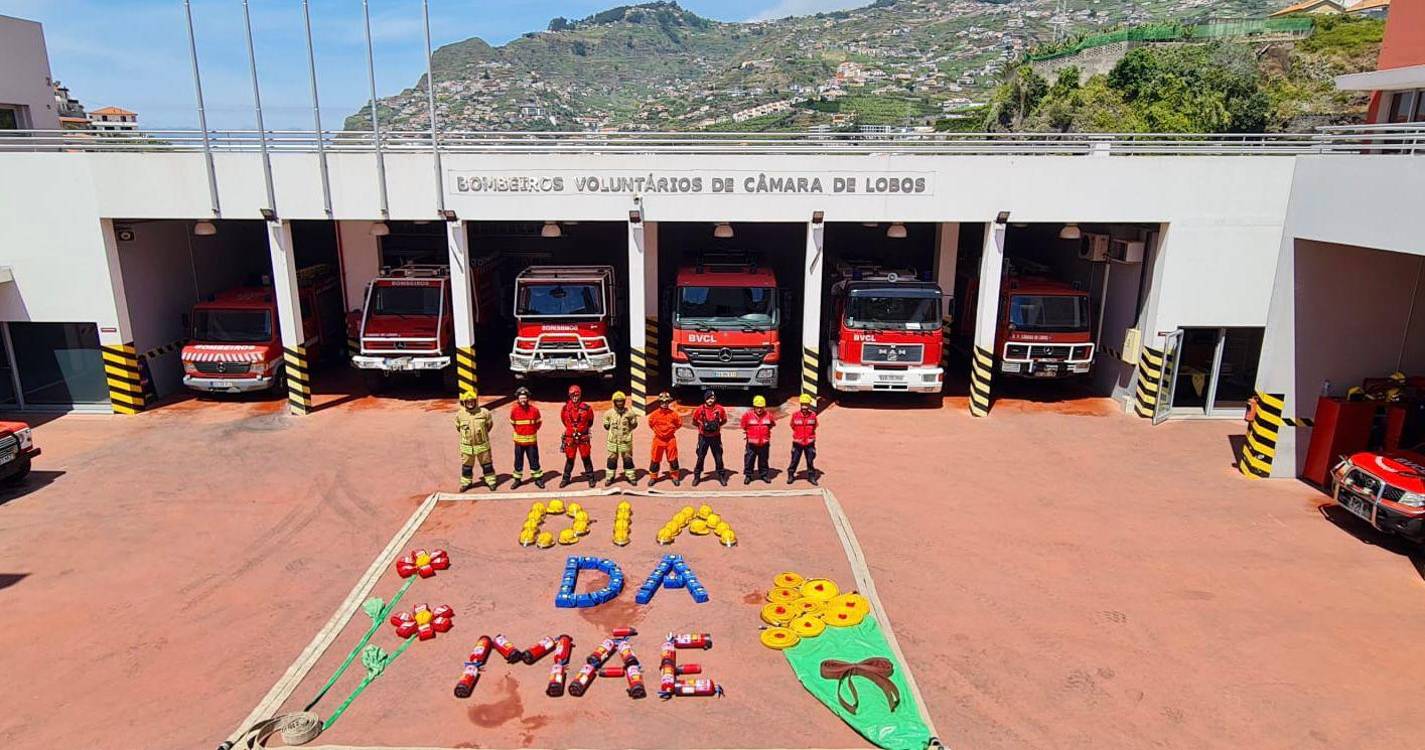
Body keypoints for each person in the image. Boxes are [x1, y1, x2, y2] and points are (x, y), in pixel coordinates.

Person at [455, 390, 497, 492]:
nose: (470, 403)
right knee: (467, 467)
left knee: (487, 465)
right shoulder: (460, 415)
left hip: (482, 445)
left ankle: (491, 481)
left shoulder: (484, 412)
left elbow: (489, 425)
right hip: (467, 446)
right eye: (468, 401)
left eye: (472, 401)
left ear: (475, 401)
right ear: (464, 403)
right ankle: (466, 483)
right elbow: (458, 427)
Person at [560, 384, 597, 488]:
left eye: (577, 395)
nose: (575, 397)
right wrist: (571, 431)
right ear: (570, 396)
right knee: (570, 458)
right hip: (570, 438)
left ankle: (591, 478)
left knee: (586, 458)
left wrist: (582, 430)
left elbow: (590, 422)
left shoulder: (587, 408)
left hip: (583, 437)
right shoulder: (565, 409)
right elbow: (564, 421)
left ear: (580, 395)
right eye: (573, 396)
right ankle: (565, 478)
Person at [509, 386, 547, 489]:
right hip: (519, 442)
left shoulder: (534, 410)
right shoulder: (514, 411)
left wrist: (531, 432)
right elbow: (513, 423)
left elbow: (538, 423)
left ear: (528, 398)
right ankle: (517, 480)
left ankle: (538, 479)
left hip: (531, 442)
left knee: (534, 461)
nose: (523, 400)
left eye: (524, 397)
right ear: (518, 399)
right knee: (518, 462)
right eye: (521, 398)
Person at [691, 389, 729, 487]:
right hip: (703, 437)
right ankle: (697, 476)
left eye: (712, 398)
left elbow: (724, 420)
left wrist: (717, 426)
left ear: (715, 398)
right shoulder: (699, 409)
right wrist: (701, 428)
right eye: (708, 398)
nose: (710, 400)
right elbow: (694, 421)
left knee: (719, 458)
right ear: (705, 399)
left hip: (716, 437)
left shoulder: (720, 409)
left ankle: (721, 476)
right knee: (700, 457)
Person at [646, 391, 683, 487]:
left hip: (670, 440)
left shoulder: (674, 414)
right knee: (655, 459)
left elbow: (679, 424)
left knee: (673, 459)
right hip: (658, 440)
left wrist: (671, 431)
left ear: (669, 402)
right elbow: (650, 424)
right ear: (659, 403)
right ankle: (653, 477)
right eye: (662, 402)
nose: (664, 404)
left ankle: (675, 477)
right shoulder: (654, 415)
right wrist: (658, 432)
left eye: (666, 402)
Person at [603, 391, 640, 486]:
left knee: (628, 459)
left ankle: (630, 477)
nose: (619, 403)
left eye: (621, 401)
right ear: (614, 402)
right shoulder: (608, 413)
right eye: (617, 401)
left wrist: (627, 433)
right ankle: (610, 477)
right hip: (613, 441)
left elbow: (634, 424)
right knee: (612, 459)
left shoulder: (630, 413)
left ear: (624, 402)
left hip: (625, 440)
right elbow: (606, 425)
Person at [741, 394, 775, 484]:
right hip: (751, 444)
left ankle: (764, 474)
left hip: (764, 443)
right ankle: (748, 475)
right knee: (749, 459)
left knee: (763, 460)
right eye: (757, 407)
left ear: (764, 407)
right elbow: (743, 426)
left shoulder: (769, 416)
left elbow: (771, 425)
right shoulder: (747, 415)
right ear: (754, 407)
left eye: (761, 407)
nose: (759, 409)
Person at [787, 393, 820, 485]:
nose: (804, 407)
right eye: (803, 405)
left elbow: (815, 426)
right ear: (800, 405)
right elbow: (792, 426)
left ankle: (811, 476)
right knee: (794, 460)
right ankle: (791, 475)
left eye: (806, 405)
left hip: (809, 443)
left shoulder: (813, 415)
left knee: (810, 461)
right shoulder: (795, 415)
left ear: (809, 405)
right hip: (798, 443)